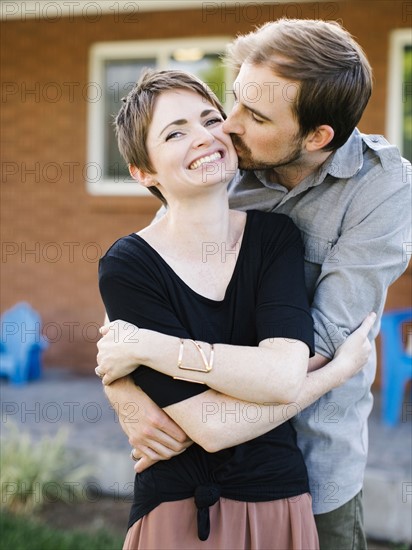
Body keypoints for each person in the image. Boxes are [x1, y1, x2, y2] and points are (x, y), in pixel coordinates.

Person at [99, 19, 411, 550]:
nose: (226, 126)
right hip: (191, 467)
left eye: (255, 115)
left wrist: (154, 358)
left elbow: (321, 350)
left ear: (315, 137)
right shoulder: (224, 161)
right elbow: (132, 310)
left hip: (316, 462)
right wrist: (124, 388)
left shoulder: (385, 189)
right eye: (233, 101)